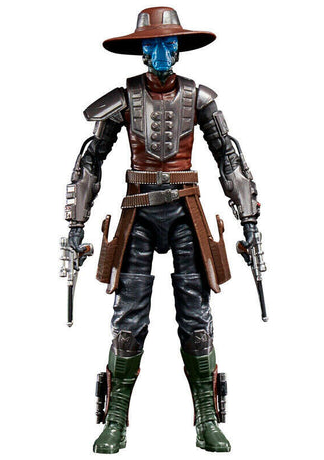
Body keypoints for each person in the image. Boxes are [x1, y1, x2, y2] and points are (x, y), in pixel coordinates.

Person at [64, 7, 260, 453]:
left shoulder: (199, 98)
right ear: (141, 51)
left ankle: (207, 419)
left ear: (178, 49)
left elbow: (228, 157)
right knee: (128, 319)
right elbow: (91, 160)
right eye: (152, 45)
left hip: (186, 212)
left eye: (167, 44)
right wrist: (76, 224)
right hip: (138, 214)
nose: (160, 54)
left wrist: (249, 219)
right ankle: (115, 420)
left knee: (196, 319)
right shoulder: (124, 99)